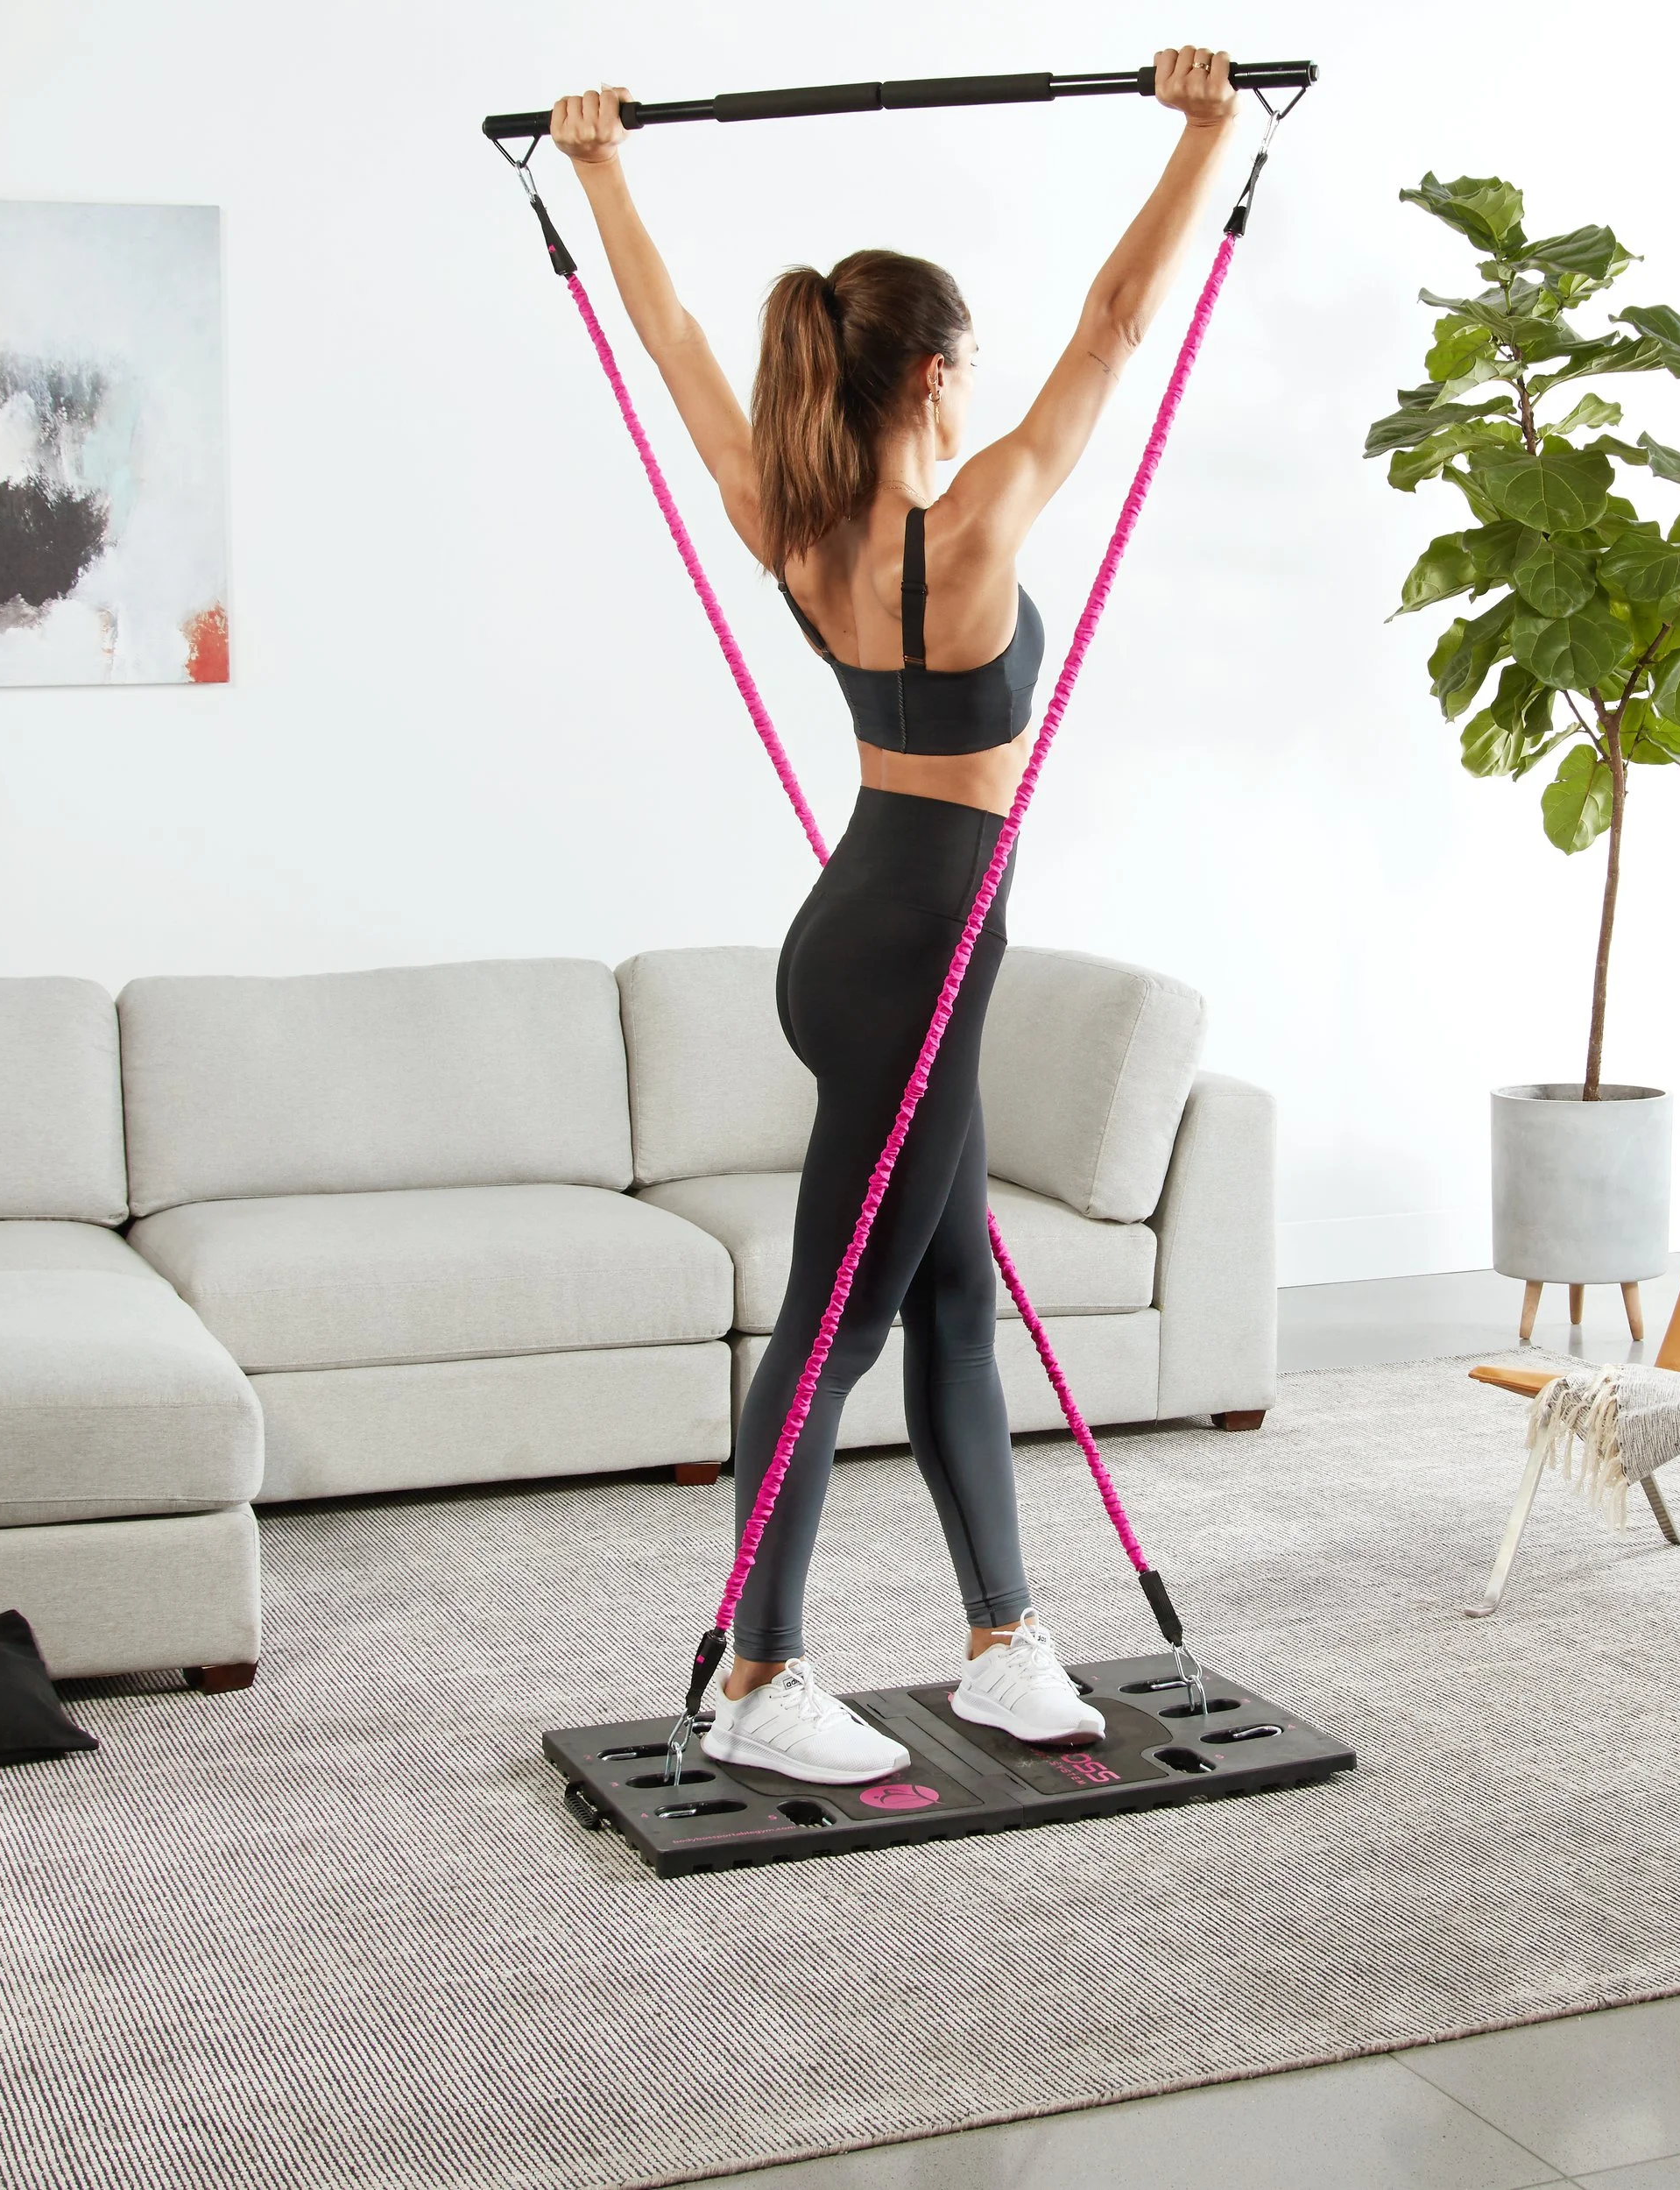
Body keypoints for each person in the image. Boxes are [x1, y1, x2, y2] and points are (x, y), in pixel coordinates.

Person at [550, 49, 1243, 1784]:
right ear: (933, 372)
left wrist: (602, 175)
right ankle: (758, 1668)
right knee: (837, 1316)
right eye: (972, 368)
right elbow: (1111, 328)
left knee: (947, 1302)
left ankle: (1005, 1639)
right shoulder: (971, 528)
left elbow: (681, 353)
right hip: (908, 958)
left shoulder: (789, 519)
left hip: (866, 934)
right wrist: (1207, 135)